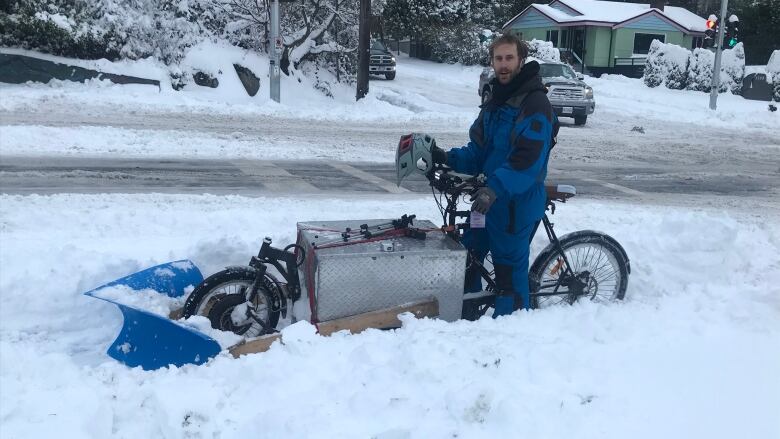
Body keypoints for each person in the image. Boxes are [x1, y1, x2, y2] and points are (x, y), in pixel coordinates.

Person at [430, 33, 558, 317]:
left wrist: (495, 187)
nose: (503, 64)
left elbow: (528, 161)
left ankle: (508, 334)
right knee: (469, 256)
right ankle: (467, 314)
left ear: (520, 60)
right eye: (498, 58)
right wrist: (445, 157)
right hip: (487, 201)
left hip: (515, 204)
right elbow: (479, 152)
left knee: (508, 275)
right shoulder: (495, 100)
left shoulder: (535, 104)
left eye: (509, 58)